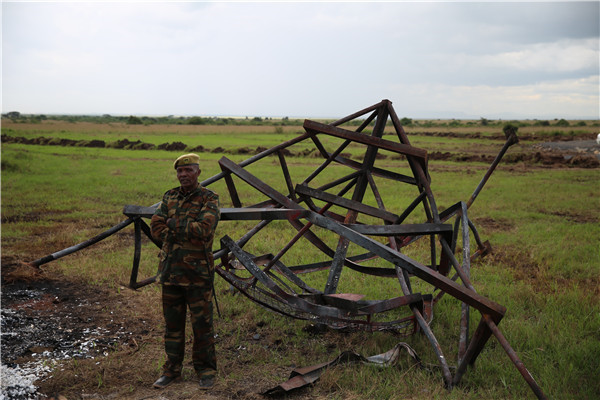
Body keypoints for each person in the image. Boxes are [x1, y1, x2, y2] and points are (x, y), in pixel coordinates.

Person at [150, 153, 221, 390]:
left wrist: (172, 223)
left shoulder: (209, 198)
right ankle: (171, 370)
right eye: (180, 171)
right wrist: (179, 229)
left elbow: (203, 229)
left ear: (198, 172)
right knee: (172, 325)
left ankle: (206, 371)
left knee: (202, 325)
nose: (183, 175)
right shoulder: (169, 196)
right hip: (170, 272)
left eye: (188, 170)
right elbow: (155, 227)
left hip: (198, 274)